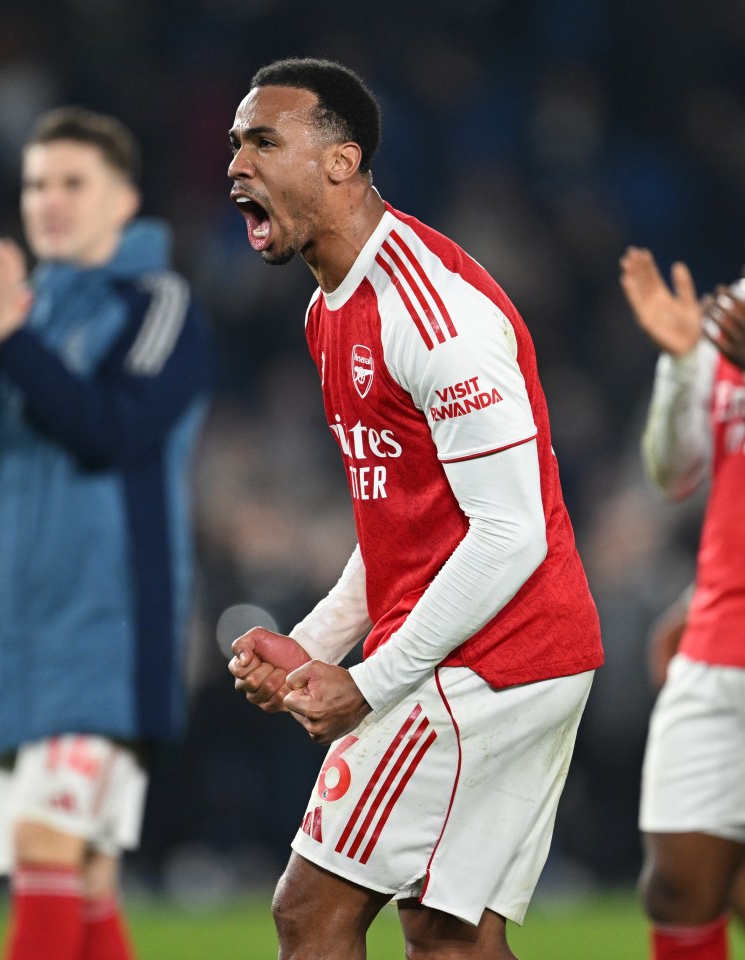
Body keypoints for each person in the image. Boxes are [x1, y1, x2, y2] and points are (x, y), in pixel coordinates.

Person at [226, 57, 603, 960]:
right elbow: (394, 520)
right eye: (234, 143)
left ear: (341, 163)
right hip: (513, 652)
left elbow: (508, 533)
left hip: (496, 658)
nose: (236, 164)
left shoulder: (432, 316)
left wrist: (368, 682)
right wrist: (319, 642)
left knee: (310, 913)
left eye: (264, 141)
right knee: (448, 935)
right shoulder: (329, 309)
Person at [0, 106, 212, 960]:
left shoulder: (159, 306)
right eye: (36, 184)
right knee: (84, 876)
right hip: (9, 635)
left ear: (124, 199)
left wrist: (13, 339)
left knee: (45, 854)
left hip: (105, 632)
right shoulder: (14, 316)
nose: (49, 201)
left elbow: (113, 430)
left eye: (72, 183)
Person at [620, 246, 745, 959]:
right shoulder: (731, 315)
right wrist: (680, 365)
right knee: (676, 889)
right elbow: (675, 473)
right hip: (714, 645)